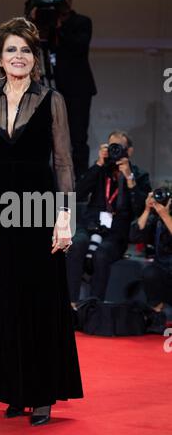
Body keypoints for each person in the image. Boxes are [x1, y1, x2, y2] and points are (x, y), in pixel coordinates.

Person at [0, 17, 83, 426]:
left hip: (40, 204)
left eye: (26, 50)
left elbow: (63, 161)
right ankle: (13, 387)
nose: (18, 56)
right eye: (11, 49)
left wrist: (64, 218)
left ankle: (43, 392)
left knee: (41, 297)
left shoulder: (52, 99)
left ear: (35, 57)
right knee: (5, 297)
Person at [66, 130, 151, 309]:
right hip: (90, 225)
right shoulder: (100, 170)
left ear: (129, 151)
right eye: (112, 147)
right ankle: (70, 303)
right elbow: (77, 193)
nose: (115, 151)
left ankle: (93, 307)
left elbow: (140, 209)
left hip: (116, 233)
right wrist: (98, 164)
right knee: (76, 243)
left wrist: (130, 179)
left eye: (119, 147)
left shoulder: (140, 175)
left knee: (102, 254)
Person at [54, 0, 97, 181]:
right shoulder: (46, 23)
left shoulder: (82, 22)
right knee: (54, 137)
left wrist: (59, 28)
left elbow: (80, 46)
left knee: (78, 137)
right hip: (54, 85)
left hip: (78, 87)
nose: (65, 0)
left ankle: (80, 181)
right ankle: (54, 179)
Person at [129, 191, 172, 334]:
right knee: (149, 273)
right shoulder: (154, 218)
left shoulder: (165, 217)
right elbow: (134, 235)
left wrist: (166, 216)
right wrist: (147, 209)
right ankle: (157, 315)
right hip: (162, 269)